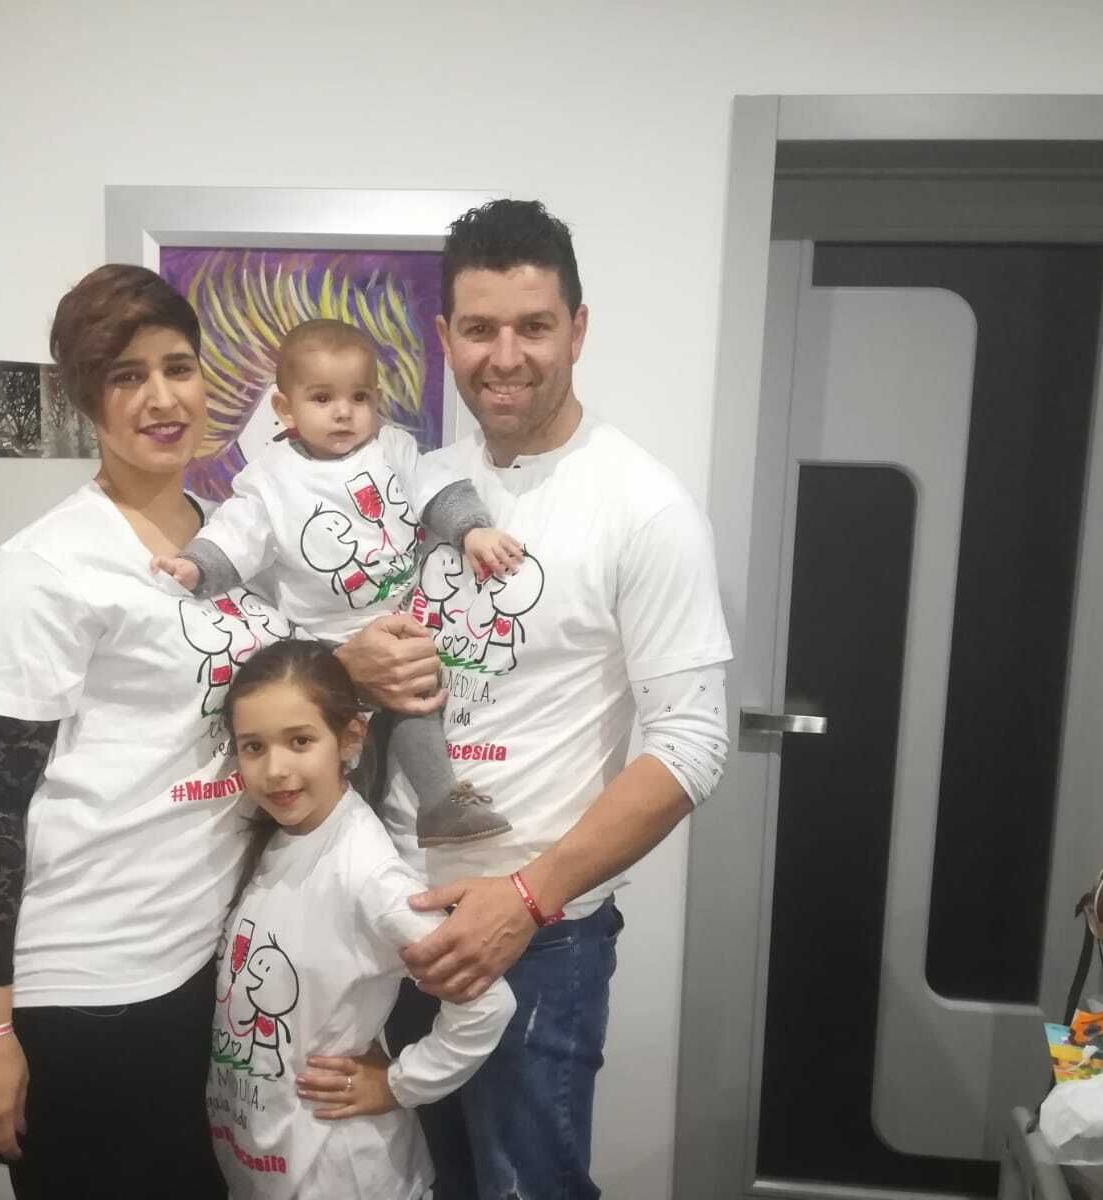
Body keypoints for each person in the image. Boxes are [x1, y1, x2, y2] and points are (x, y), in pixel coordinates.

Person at [0, 264, 440, 1197]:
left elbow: (271, 697)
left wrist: (352, 663)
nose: (162, 398)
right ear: (85, 398)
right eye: (126, 377)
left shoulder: (228, 538)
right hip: (92, 982)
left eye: (179, 366)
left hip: (202, 965)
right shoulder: (47, 568)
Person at [351, 199, 735, 1199]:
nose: (505, 355)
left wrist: (526, 901)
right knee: (403, 1184)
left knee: (526, 1190)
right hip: (380, 909)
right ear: (444, 338)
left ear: (577, 328)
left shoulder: (641, 506)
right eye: (478, 329)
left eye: (532, 326)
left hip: (538, 938)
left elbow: (694, 743)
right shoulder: (423, 485)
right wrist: (353, 670)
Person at [152, 317, 521, 849]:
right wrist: (196, 566)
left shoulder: (392, 449)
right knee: (337, 744)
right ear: (286, 408)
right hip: (321, 641)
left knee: (418, 697)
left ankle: (439, 802)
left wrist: (473, 530)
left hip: (396, 624)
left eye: (360, 397)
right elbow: (239, 532)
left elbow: (438, 492)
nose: (344, 412)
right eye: (322, 398)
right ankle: (334, 837)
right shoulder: (272, 477)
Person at [208, 639, 514, 1199]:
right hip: (267, 1166)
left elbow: (488, 1003)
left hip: (345, 1175)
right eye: (254, 746)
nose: (276, 770)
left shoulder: (367, 874)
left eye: (300, 741)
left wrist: (399, 1084)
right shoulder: (278, 840)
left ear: (349, 739)